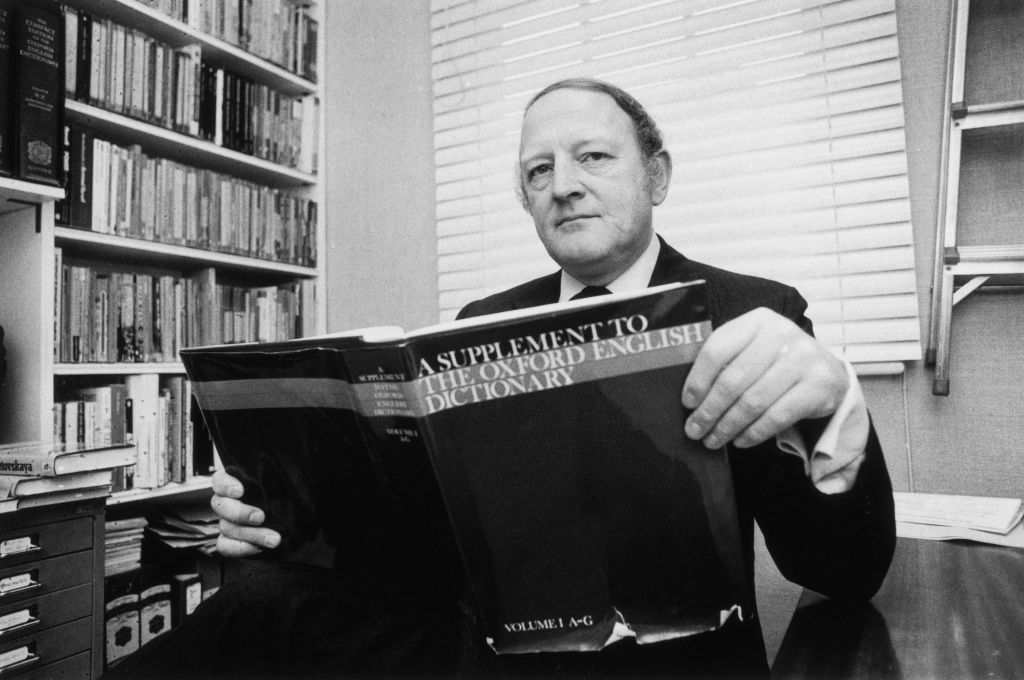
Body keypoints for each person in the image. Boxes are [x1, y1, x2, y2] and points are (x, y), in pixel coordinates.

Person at [178, 78, 898, 678]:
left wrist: (835, 405)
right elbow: (427, 546)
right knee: (257, 599)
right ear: (525, 199)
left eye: (592, 157)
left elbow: (843, 571)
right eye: (539, 170)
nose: (565, 186)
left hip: (671, 657)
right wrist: (284, 522)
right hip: (486, 650)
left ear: (657, 175)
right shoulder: (479, 321)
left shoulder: (754, 313)